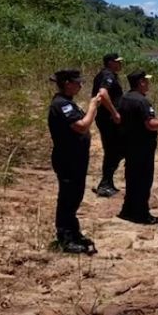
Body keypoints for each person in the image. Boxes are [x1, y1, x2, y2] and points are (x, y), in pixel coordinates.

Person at [47, 69, 102, 254]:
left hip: (76, 158)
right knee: (68, 197)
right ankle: (65, 237)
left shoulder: (68, 103)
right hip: (67, 158)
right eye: (78, 82)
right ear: (68, 83)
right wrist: (93, 107)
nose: (80, 85)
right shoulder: (62, 104)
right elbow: (81, 126)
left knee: (75, 195)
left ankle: (73, 231)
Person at [118, 70, 158, 225]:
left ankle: (127, 210)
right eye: (146, 81)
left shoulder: (124, 98)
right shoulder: (142, 101)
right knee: (143, 180)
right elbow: (150, 124)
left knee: (132, 178)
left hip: (128, 144)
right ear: (140, 82)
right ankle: (141, 214)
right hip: (143, 146)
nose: (148, 84)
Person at [91, 53, 124, 197]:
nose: (120, 64)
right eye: (117, 62)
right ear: (110, 62)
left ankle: (107, 182)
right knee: (113, 150)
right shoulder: (107, 75)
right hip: (108, 119)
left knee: (116, 150)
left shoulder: (108, 74)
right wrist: (114, 112)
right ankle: (105, 185)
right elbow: (103, 93)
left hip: (108, 118)